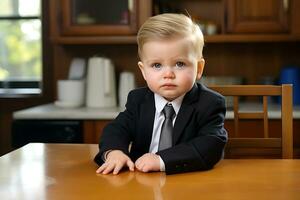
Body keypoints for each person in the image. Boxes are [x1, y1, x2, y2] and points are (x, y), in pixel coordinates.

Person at [94, 13, 227, 175]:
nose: (168, 74)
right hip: (140, 182)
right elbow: (116, 130)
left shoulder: (209, 103)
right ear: (143, 71)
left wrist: (161, 160)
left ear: (199, 69)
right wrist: (113, 152)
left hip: (188, 182)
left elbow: (211, 145)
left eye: (179, 64)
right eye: (157, 65)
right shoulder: (138, 100)